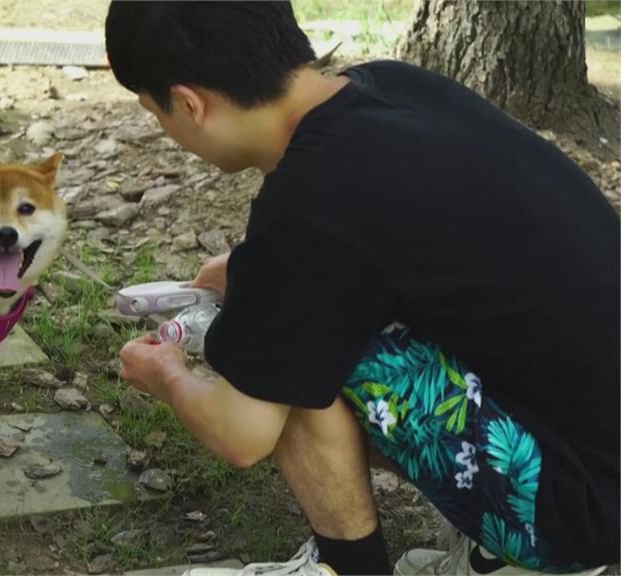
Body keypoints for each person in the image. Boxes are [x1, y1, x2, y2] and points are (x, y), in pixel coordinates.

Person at [106, 2, 619, 575]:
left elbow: (240, 434)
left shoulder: (312, 201)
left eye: (157, 113)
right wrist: (258, 275)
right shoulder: (394, 86)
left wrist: (168, 376)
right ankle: (494, 555)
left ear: (189, 103)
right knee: (295, 308)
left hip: (578, 510)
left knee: (287, 342)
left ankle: (352, 570)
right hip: (596, 446)